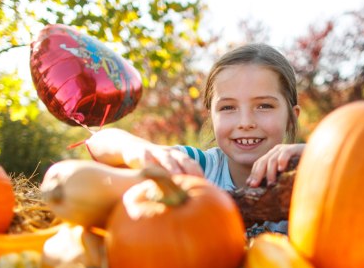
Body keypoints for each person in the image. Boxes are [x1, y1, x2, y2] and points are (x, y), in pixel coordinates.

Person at [86, 43, 304, 234]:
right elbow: (99, 141)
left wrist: (314, 157)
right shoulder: (196, 168)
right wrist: (135, 149)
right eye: (228, 107)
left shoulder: (308, 175)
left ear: (291, 117)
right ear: (211, 117)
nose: (245, 122)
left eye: (264, 106)